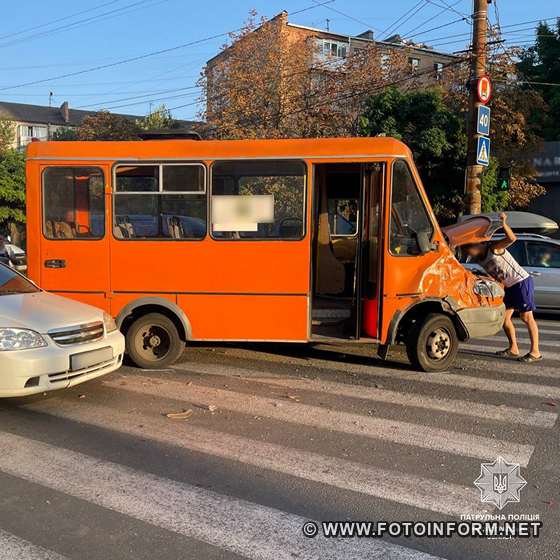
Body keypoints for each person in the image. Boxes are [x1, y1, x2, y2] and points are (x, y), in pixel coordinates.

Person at [463, 213, 542, 363]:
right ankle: (514, 349)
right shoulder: (479, 260)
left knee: (526, 317)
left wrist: (503, 223)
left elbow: (512, 239)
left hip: (521, 281)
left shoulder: (494, 248)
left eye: (469, 251)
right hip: (509, 287)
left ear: (476, 245)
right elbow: (495, 275)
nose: (469, 255)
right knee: (505, 319)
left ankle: (536, 352)